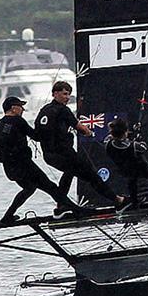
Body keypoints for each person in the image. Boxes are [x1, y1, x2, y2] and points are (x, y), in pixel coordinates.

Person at [0, 96, 84, 225]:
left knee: (29, 188)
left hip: (10, 169)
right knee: (51, 187)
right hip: (25, 165)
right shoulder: (17, 121)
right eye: (21, 106)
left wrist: (7, 159)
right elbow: (36, 136)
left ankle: (7, 217)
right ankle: (77, 210)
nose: (23, 109)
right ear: (13, 108)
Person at [35, 80, 126, 212]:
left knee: (69, 173)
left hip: (49, 156)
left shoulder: (44, 110)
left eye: (68, 94)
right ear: (55, 94)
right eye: (64, 94)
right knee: (92, 176)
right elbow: (80, 127)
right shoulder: (63, 110)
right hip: (64, 154)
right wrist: (90, 133)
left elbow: (37, 133)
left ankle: (61, 206)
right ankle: (118, 200)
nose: (67, 97)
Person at [104, 118, 148, 211]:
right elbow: (143, 147)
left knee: (132, 183)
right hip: (141, 168)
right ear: (125, 132)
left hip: (125, 169)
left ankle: (135, 203)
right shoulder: (133, 146)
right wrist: (139, 137)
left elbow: (119, 139)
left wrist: (133, 133)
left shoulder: (107, 143)